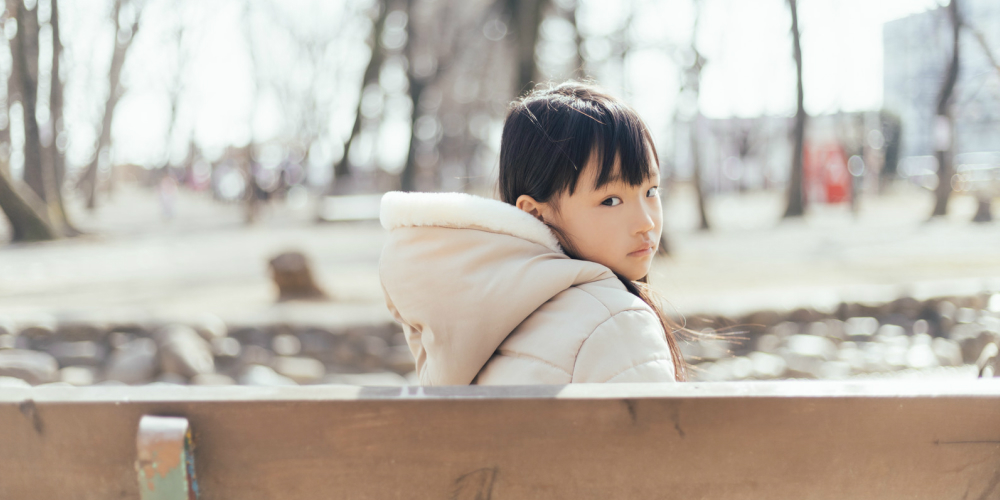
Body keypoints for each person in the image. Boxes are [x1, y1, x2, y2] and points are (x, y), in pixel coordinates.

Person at [379, 82, 684, 385]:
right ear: (536, 214)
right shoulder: (618, 324)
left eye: (651, 191)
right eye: (610, 200)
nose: (645, 222)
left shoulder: (469, 332)